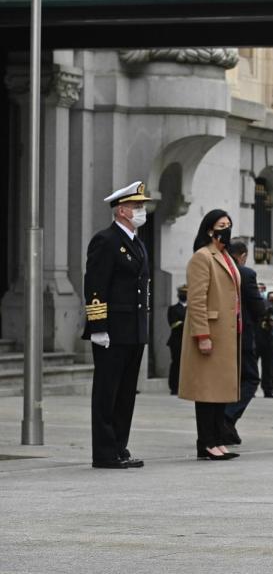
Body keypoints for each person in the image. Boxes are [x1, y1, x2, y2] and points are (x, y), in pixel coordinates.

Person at [83, 181, 151, 469]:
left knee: (125, 393)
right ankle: (104, 452)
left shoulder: (136, 242)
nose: (142, 211)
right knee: (107, 391)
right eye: (137, 207)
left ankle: (119, 446)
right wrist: (98, 326)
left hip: (134, 329)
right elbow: (95, 285)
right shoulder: (106, 240)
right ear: (121, 210)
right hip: (112, 330)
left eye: (142, 206)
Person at [178, 210, 241, 461]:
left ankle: (217, 439)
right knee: (206, 391)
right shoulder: (202, 257)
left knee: (220, 391)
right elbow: (196, 300)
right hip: (210, 332)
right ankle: (206, 441)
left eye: (228, 225)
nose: (226, 229)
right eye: (221, 225)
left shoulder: (226, 256)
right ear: (209, 229)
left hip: (227, 332)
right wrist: (202, 334)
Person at [222, 240, 266, 444]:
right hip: (243, 333)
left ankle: (226, 424)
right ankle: (228, 416)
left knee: (230, 379)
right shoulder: (246, 274)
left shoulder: (218, 269)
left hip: (222, 333)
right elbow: (257, 306)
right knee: (250, 378)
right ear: (242, 256)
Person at [258, 291, 273, 398]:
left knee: (269, 366)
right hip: (264, 338)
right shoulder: (265, 305)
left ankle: (269, 388)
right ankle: (267, 388)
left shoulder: (271, 306)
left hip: (270, 338)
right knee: (267, 366)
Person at [166, 285, 187, 396]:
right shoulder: (173, 309)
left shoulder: (191, 308)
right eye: (182, 293)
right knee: (176, 364)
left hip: (188, 341)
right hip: (176, 341)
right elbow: (173, 323)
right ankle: (174, 387)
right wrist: (185, 323)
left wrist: (182, 323)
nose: (184, 295)